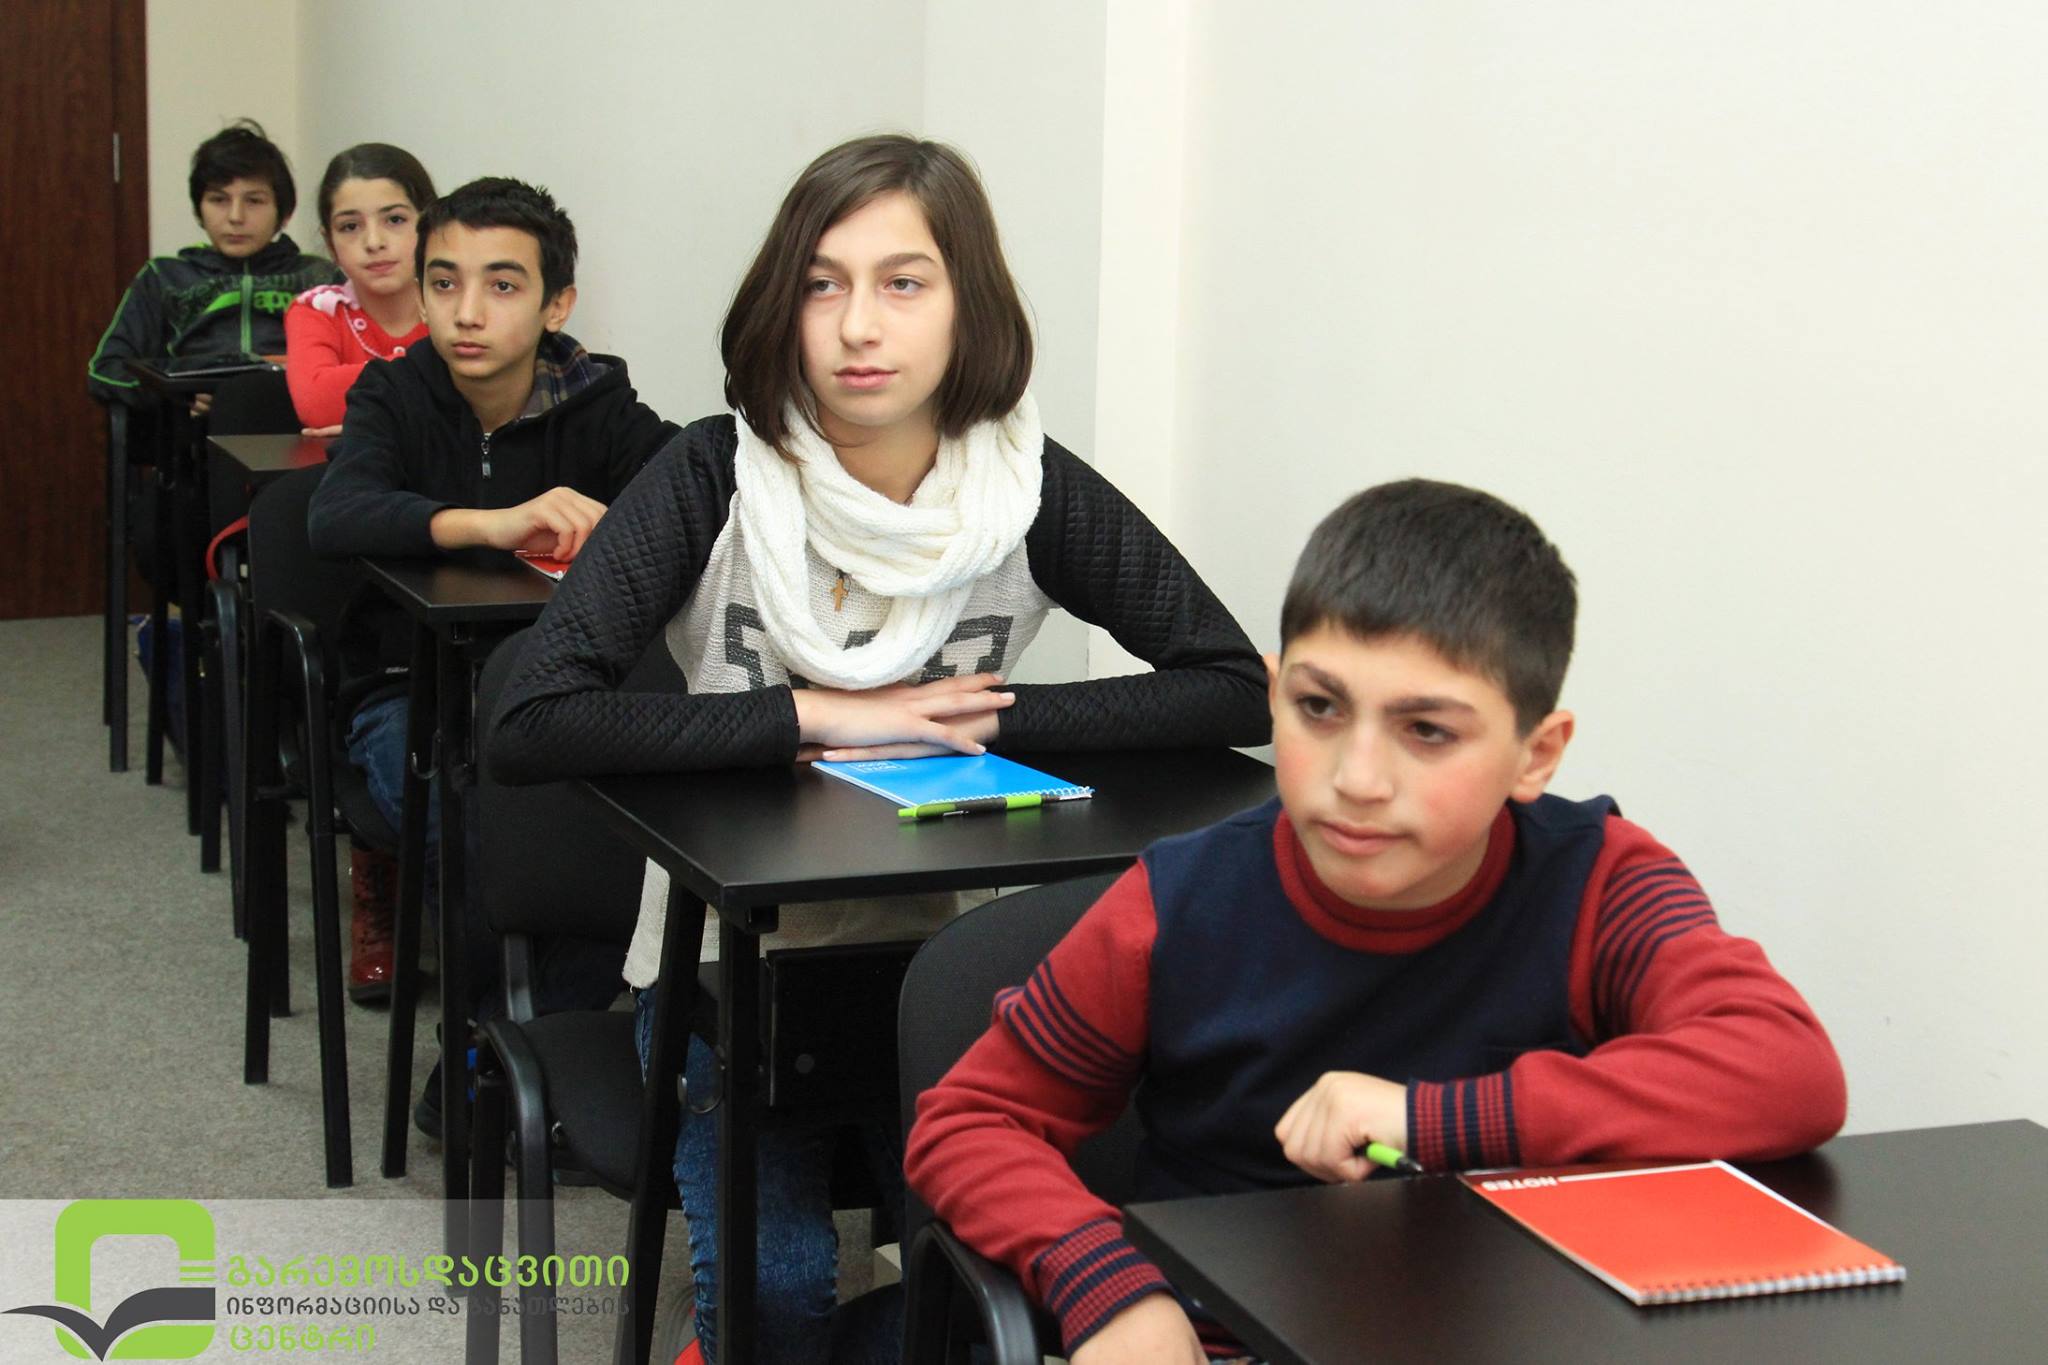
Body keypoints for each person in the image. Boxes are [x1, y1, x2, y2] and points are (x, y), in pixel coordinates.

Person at [486, 134, 1271, 1363]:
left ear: (968, 309)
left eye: (903, 283)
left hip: (949, 975)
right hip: (723, 982)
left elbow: (1232, 688)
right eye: (822, 284)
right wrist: (817, 716)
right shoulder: (712, 475)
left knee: (1002, 1296)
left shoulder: (1020, 489)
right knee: (782, 1295)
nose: (859, 326)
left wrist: (974, 712)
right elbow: (527, 719)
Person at [903, 479, 1849, 1363]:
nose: (1356, 778)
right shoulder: (1176, 903)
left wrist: (1432, 1118)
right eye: (1319, 708)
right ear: (1276, 694)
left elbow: (1785, 1070)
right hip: (1237, 1338)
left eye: (1427, 730)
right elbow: (973, 1121)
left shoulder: (1600, 878)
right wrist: (1106, 1284)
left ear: (1536, 753)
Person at [307, 176, 675, 1036]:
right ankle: (489, 1045)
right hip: (406, 688)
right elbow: (335, 513)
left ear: (557, 304)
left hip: (558, 691)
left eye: (503, 285)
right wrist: (494, 523)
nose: (467, 312)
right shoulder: (393, 394)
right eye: (444, 283)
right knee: (471, 820)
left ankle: (523, 1040)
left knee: (628, 827)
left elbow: (689, 494)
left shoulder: (598, 401)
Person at [89, 119, 335, 415]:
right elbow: (106, 370)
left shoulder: (319, 278)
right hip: (192, 432)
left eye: (254, 201)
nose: (235, 217)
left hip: (297, 425)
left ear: (284, 213)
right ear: (199, 210)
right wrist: (174, 393)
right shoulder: (164, 277)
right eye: (219, 200)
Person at [286, 143, 437, 434]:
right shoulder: (316, 311)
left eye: (395, 219)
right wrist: (437, 372)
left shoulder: (460, 305)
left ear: (430, 226)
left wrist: (367, 422)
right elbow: (317, 403)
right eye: (350, 226)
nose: (373, 242)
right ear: (330, 244)